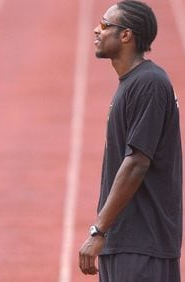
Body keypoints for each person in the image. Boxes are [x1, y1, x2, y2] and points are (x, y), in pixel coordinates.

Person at [78, 1, 182, 281]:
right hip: (125, 242)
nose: (96, 30)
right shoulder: (134, 83)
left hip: (141, 244)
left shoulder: (149, 84)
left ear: (126, 35)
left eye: (104, 24)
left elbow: (137, 162)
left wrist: (98, 230)